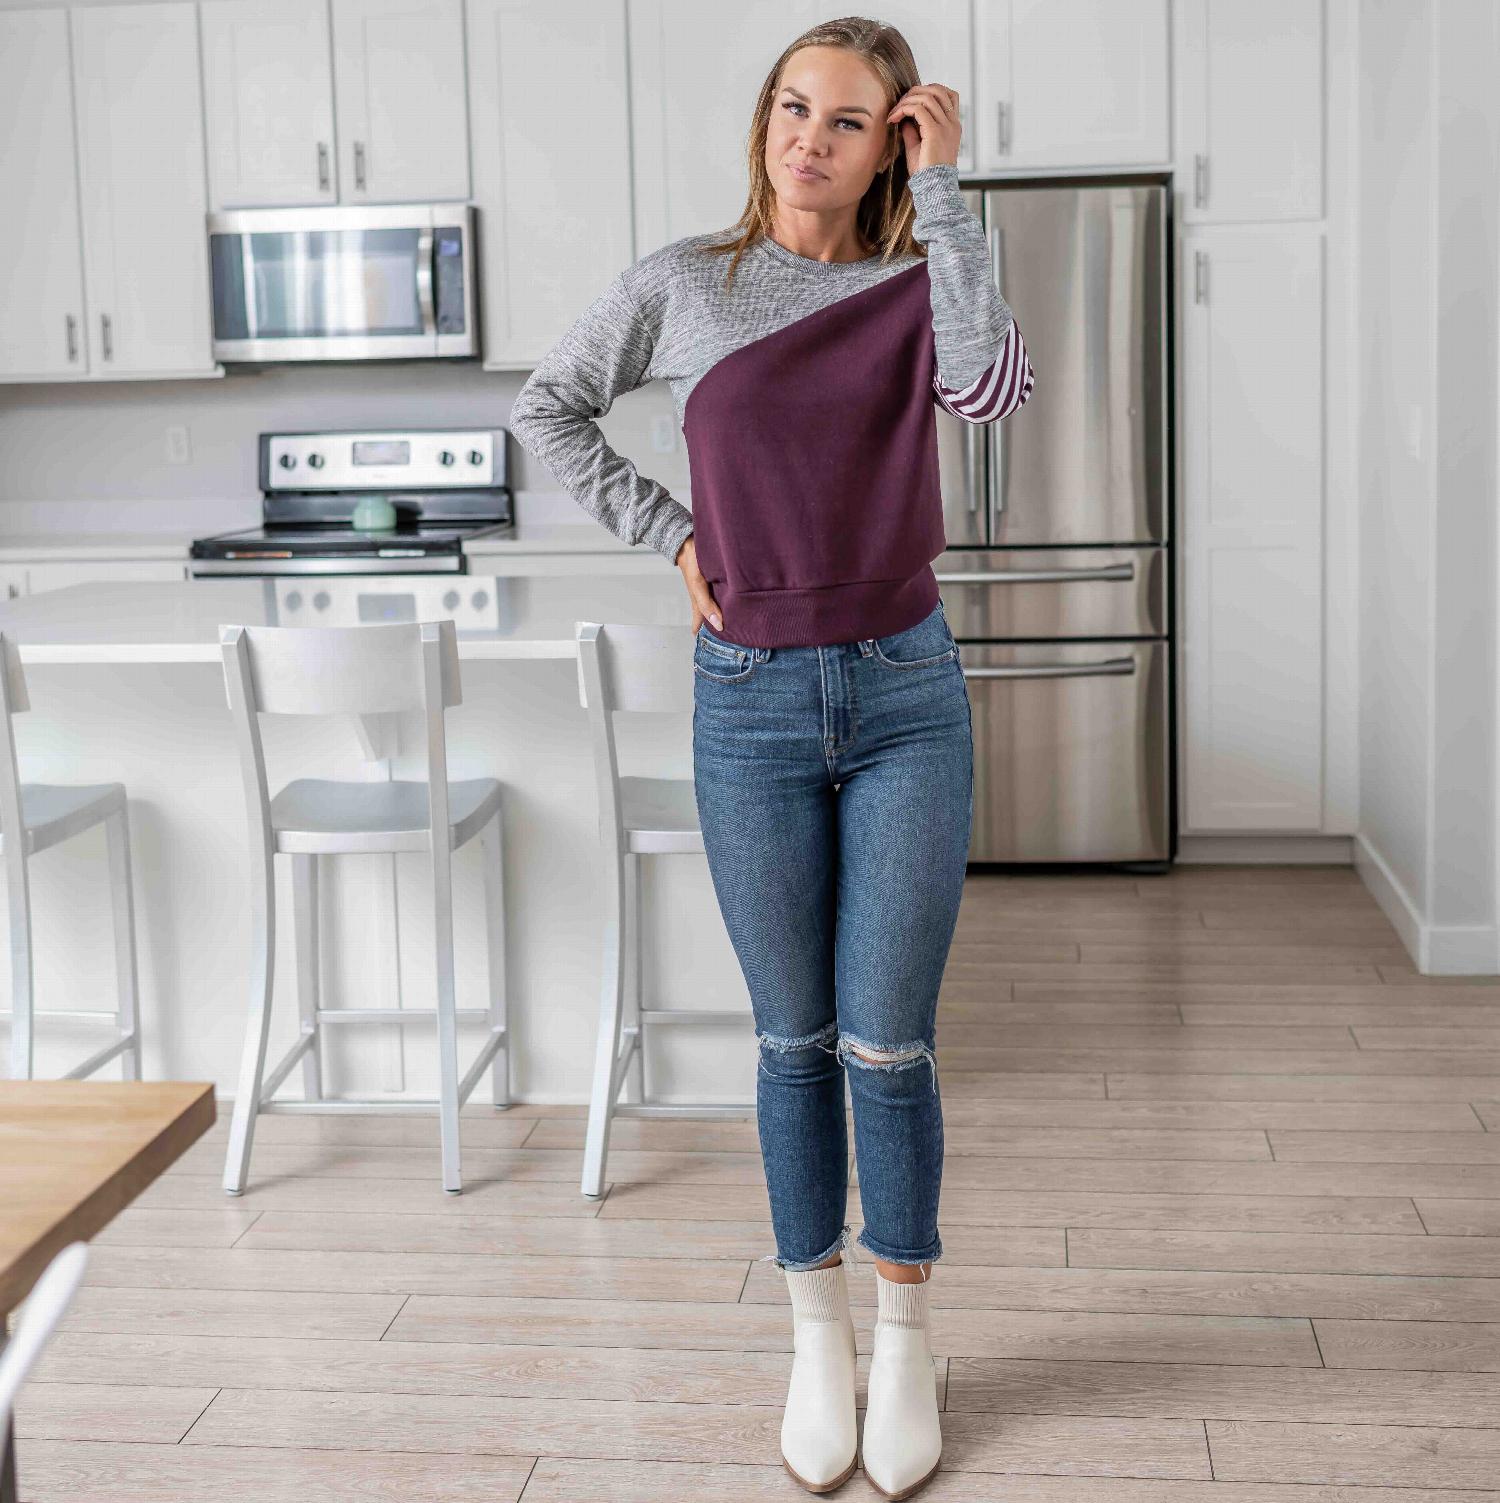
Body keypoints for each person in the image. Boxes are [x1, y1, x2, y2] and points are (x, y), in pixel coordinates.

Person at [509, 17, 1034, 1498]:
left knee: (892, 1039)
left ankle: (907, 1336)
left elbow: (990, 396)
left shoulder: (920, 274)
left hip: (907, 695)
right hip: (746, 698)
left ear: (890, 143)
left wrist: (947, 200)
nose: (809, 138)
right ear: (764, 122)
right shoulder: (685, 284)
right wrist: (668, 530)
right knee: (794, 1041)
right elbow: (545, 406)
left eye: (850, 121)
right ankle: (818, 1340)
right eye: (793, 108)